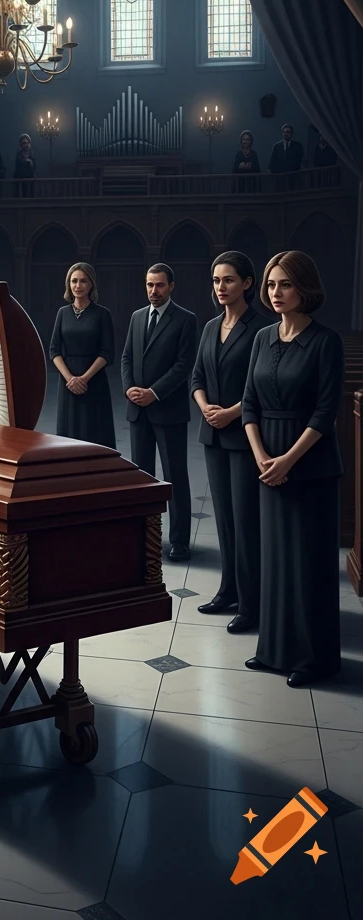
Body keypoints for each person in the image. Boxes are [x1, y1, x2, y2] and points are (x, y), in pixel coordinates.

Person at [242, 251, 344, 688]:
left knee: (307, 565)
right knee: (276, 561)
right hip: (268, 461)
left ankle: (313, 658)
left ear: (305, 287)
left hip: (310, 464)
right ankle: (274, 651)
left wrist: (287, 460)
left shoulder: (326, 341)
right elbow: (249, 404)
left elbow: (325, 413)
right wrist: (262, 456)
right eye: (270, 284)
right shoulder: (263, 337)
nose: (276, 292)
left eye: (285, 284)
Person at [190, 251, 271, 632]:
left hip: (243, 435)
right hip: (213, 434)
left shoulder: (262, 329)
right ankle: (228, 591)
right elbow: (196, 377)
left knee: (245, 522)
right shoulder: (209, 327)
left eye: (229, 280)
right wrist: (206, 407)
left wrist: (231, 413)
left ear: (248, 284)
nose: (220, 288)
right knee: (223, 519)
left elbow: (261, 385)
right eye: (216, 281)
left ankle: (252, 605)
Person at [121, 264, 197, 561]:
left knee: (175, 476)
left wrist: (153, 393)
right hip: (138, 410)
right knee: (141, 477)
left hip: (169, 410)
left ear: (171, 286)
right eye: (150, 285)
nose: (154, 291)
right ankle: (144, 534)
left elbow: (183, 365)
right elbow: (127, 357)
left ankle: (179, 541)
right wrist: (130, 389)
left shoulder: (186, 319)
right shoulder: (137, 317)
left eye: (160, 285)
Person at [49, 262, 116, 449]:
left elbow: (107, 352)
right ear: (68, 284)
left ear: (91, 284)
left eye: (83, 281)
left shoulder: (103, 314)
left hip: (93, 382)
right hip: (68, 383)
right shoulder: (62, 313)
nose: (78, 286)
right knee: (68, 437)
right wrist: (70, 378)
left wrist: (84, 379)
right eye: (74, 281)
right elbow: (54, 350)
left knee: (95, 434)